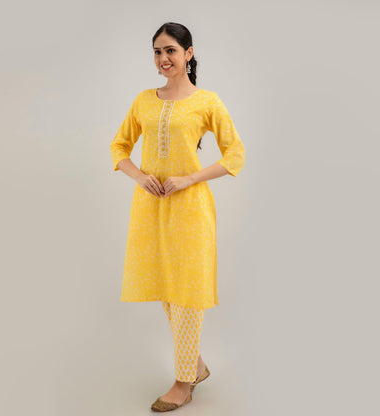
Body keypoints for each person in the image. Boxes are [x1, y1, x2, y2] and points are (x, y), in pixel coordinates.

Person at [110, 22, 246, 412]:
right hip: (151, 207)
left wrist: (189, 178)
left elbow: (235, 154)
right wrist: (139, 176)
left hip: (191, 208)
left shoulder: (208, 102)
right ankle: (196, 365)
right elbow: (119, 146)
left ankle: (183, 381)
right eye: (157, 52)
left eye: (170, 50)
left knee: (186, 290)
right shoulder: (143, 100)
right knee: (167, 288)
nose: (163, 58)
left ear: (188, 53)